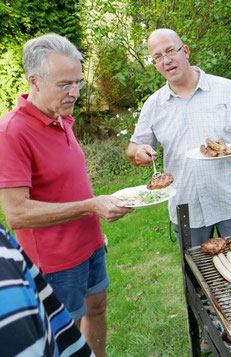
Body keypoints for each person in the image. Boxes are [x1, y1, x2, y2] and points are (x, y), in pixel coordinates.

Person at [0, 34, 132, 356]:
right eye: (65, 84)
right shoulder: (11, 132)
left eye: (78, 83)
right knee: (64, 334)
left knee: (97, 307)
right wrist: (91, 206)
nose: (74, 92)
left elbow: (67, 183)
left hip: (90, 244)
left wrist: (94, 225)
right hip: (55, 261)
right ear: (35, 81)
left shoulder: (61, 116)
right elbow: (16, 213)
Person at [126, 29, 231, 246]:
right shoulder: (154, 105)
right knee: (195, 275)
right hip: (186, 207)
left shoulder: (226, 89)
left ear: (186, 51)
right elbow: (133, 148)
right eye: (158, 57)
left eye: (171, 51)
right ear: (155, 64)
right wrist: (138, 152)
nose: (167, 60)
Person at [0, 222, 94, 356]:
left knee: (92, 311)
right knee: (71, 322)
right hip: (57, 261)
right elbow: (16, 216)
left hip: (86, 244)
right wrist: (90, 207)